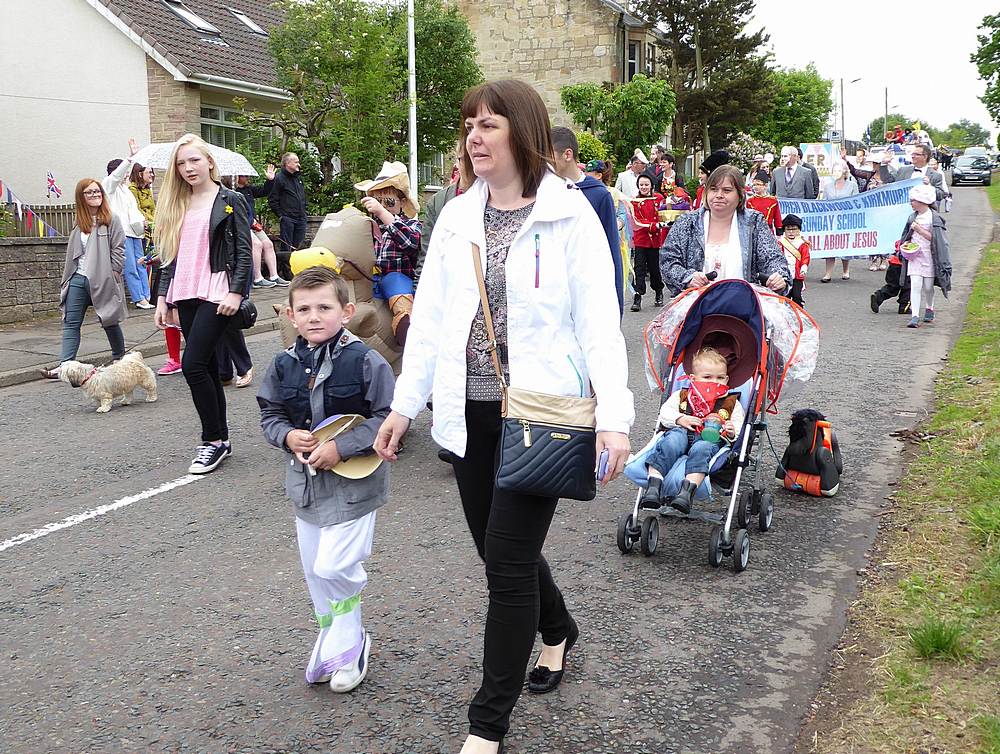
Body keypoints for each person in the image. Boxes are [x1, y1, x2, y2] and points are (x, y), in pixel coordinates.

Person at [373, 79, 633, 754]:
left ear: (523, 130)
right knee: (496, 551)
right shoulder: (457, 215)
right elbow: (428, 320)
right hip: (467, 413)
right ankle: (558, 629)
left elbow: (601, 325)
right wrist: (405, 407)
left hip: (541, 413)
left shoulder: (570, 215)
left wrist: (614, 417)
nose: (474, 137)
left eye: (488, 124)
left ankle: (486, 724)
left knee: (508, 568)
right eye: (468, 125)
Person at [257, 266, 395, 693]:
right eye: (304, 309)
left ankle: (350, 641)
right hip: (306, 488)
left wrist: (343, 446)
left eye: (324, 307)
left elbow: (387, 417)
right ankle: (340, 648)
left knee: (333, 565)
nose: (314, 316)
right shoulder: (282, 365)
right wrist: (286, 436)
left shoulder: (367, 360)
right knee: (316, 575)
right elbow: (270, 415)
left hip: (355, 486)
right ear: (290, 316)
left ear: (347, 311)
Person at [153, 133, 253, 475]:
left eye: (194, 160)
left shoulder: (230, 199)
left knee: (193, 364)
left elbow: (243, 249)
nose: (188, 168)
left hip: (217, 290)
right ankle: (221, 440)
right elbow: (170, 256)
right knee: (207, 367)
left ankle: (211, 441)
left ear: (209, 162)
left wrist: (237, 292)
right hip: (185, 291)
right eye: (181, 163)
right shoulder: (176, 204)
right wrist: (162, 298)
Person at [638, 346, 745, 513]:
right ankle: (653, 486)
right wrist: (680, 418)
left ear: (727, 379)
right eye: (707, 377)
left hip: (708, 439)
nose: (714, 382)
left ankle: (686, 493)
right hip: (681, 432)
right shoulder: (683, 395)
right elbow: (665, 413)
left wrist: (731, 431)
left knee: (702, 449)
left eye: (720, 378)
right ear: (693, 379)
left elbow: (738, 426)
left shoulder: (731, 402)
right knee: (670, 442)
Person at [41, 180, 127, 378]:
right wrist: (69, 279)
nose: (95, 194)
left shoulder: (111, 219)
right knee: (71, 323)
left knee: (109, 320)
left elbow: (119, 249)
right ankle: (65, 366)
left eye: (97, 191)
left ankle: (120, 359)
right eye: (89, 192)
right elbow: (74, 252)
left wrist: (113, 272)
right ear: (82, 197)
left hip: (103, 279)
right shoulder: (79, 221)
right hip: (78, 279)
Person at [661, 164, 790, 296]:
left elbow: (773, 258)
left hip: (744, 309)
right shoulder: (687, 222)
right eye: (713, 189)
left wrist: (778, 277)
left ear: (740, 194)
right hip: (695, 308)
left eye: (727, 190)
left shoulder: (754, 222)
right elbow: (668, 261)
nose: (719, 195)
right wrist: (687, 278)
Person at [551, 127, 624, 314]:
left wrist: (616, 305)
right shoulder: (544, 193)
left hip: (589, 290)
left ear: (567, 154)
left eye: (548, 156)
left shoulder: (598, 195)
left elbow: (611, 250)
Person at [356, 161, 422, 346]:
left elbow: (412, 243)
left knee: (394, 279)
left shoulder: (412, 225)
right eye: (378, 202)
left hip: (400, 280)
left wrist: (383, 213)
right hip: (373, 280)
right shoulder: (370, 227)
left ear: (402, 203)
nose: (383, 207)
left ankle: (406, 322)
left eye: (389, 202)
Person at [103, 139, 153, 309]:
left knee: (141, 264)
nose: (126, 174)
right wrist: (130, 158)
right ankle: (139, 297)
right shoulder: (108, 187)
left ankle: (146, 295)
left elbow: (135, 210)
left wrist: (143, 222)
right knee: (130, 266)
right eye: (124, 171)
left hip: (136, 232)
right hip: (122, 232)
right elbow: (115, 178)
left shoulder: (126, 191)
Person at [897, 183, 951, 328]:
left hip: (929, 256)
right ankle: (915, 316)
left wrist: (919, 230)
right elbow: (906, 235)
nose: (911, 204)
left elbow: (937, 240)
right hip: (915, 256)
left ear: (922, 201)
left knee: (928, 287)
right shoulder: (911, 217)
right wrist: (905, 245)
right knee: (915, 285)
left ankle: (929, 307)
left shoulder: (934, 218)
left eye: (913, 201)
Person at [417, 146, 470, 284]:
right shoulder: (437, 202)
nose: (472, 165)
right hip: (447, 287)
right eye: (465, 159)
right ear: (457, 163)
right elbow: (427, 257)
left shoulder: (494, 197)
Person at [234, 168, 288, 288]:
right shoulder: (233, 192)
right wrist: (249, 221)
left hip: (254, 224)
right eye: (245, 176)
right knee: (257, 245)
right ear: (237, 177)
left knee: (268, 244)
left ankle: (274, 276)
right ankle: (257, 277)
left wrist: (270, 180)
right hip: (243, 224)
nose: (248, 178)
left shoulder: (249, 189)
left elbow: (264, 191)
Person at [628, 174, 665, 311]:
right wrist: (653, 225)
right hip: (641, 239)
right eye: (641, 185)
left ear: (651, 186)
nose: (643, 187)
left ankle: (658, 291)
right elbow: (636, 220)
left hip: (654, 240)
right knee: (639, 269)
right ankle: (637, 296)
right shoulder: (634, 201)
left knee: (655, 268)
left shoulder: (659, 198)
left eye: (646, 184)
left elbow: (664, 213)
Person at [818, 160, 859, 282]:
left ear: (844, 171)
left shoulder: (852, 185)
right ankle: (828, 273)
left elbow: (857, 201)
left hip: (846, 219)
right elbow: (824, 201)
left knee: (844, 244)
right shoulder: (827, 186)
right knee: (830, 245)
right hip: (831, 220)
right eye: (834, 170)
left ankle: (846, 270)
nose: (836, 172)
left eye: (838, 170)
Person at [270, 152, 308, 253]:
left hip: (301, 218)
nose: (298, 165)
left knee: (299, 248)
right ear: (287, 163)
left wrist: (305, 210)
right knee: (286, 248)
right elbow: (272, 199)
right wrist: (281, 215)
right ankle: (286, 268)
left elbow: (302, 196)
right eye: (296, 162)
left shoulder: (298, 178)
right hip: (288, 218)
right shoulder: (279, 178)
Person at [879, 144, 945, 202]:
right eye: (912, 154)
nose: (913, 156)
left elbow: (940, 195)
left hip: (922, 212)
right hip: (902, 209)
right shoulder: (903, 170)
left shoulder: (936, 175)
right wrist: (883, 164)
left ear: (925, 157)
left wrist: (929, 186)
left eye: (916, 154)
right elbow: (887, 180)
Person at [777, 214, 810, 307]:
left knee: (797, 296)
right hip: (785, 274)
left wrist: (804, 267)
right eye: (788, 229)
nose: (791, 232)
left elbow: (805, 257)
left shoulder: (802, 244)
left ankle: (799, 313)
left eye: (794, 229)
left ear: (798, 230)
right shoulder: (780, 243)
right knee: (784, 296)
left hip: (797, 275)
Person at [129, 163, 155, 261]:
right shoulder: (132, 189)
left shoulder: (148, 189)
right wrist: (150, 222)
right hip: (142, 229)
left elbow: (153, 208)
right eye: (149, 172)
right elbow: (136, 208)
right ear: (140, 174)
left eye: (152, 172)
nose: (152, 175)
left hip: (152, 227)